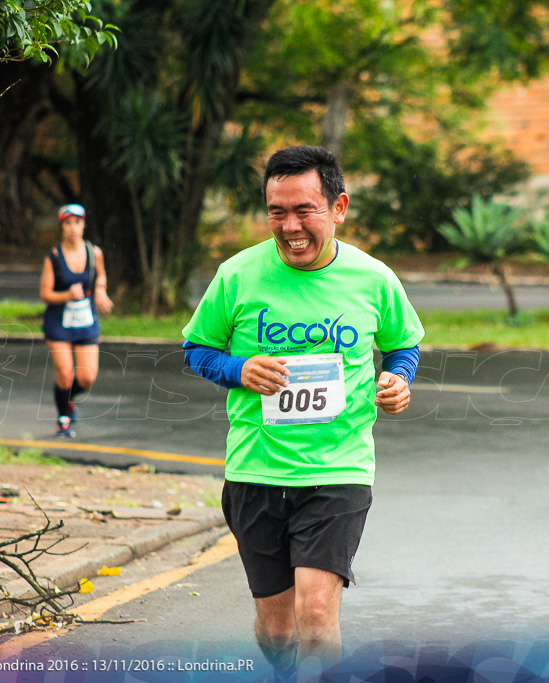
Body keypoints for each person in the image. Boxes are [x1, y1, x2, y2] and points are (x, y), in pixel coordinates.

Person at [182, 145, 424, 681]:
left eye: (303, 211)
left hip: (338, 470)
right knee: (279, 632)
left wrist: (398, 379)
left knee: (315, 621)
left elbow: (403, 345)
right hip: (255, 471)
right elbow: (197, 350)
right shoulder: (237, 275)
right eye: (277, 212)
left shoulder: (373, 278)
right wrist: (239, 369)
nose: (289, 226)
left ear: (338, 208)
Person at [40, 204, 113, 437]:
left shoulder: (94, 253)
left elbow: (100, 275)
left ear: (84, 225)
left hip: (85, 321)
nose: (73, 228)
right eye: (68, 223)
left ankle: (68, 400)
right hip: (58, 323)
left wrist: (100, 290)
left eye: (77, 222)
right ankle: (63, 419)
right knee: (65, 373)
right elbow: (45, 294)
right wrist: (66, 295)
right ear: (62, 226)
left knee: (87, 377)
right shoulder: (53, 257)